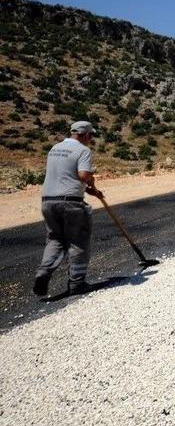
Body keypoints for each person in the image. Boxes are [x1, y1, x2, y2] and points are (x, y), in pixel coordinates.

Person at [33, 120, 103, 296]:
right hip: (71, 203)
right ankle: (77, 284)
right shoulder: (83, 150)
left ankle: (44, 272)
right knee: (78, 241)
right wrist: (92, 184)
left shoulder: (55, 148)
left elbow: (65, 174)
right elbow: (83, 174)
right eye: (91, 135)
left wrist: (89, 189)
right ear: (85, 135)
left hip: (48, 201)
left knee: (55, 239)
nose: (91, 139)